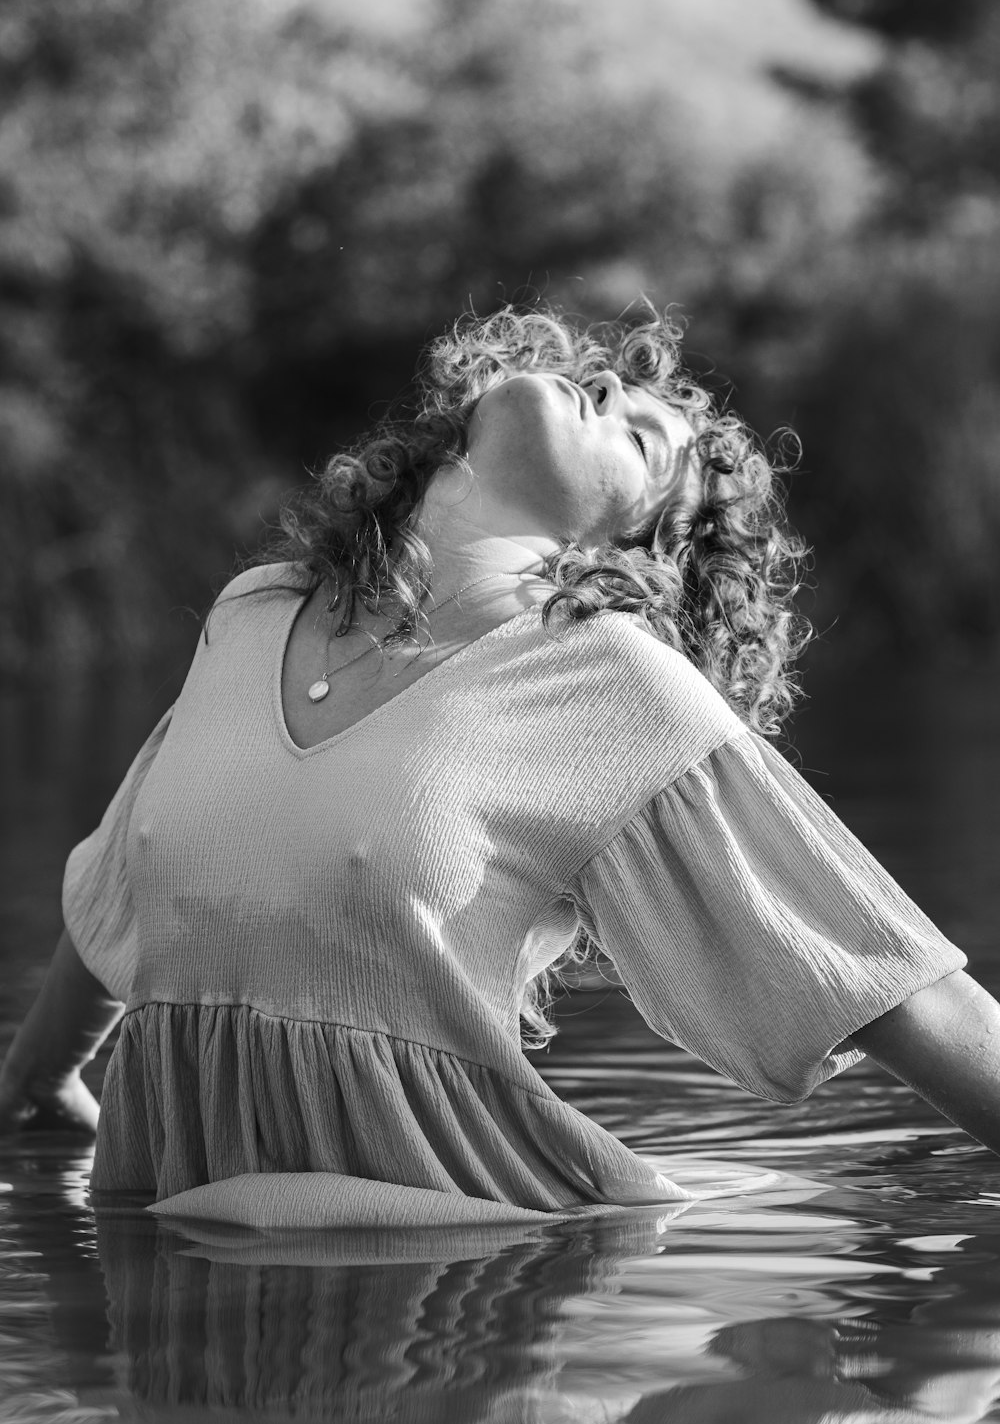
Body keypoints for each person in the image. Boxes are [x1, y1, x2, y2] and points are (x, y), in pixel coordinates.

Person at [1, 304, 998, 1228]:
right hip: (180, 1315)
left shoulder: (607, 684)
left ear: (637, 550)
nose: (603, 392)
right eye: (604, 383)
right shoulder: (250, 614)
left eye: (641, 439)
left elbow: (889, 981)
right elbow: (130, 874)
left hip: (462, 1292)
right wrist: (38, 1084)